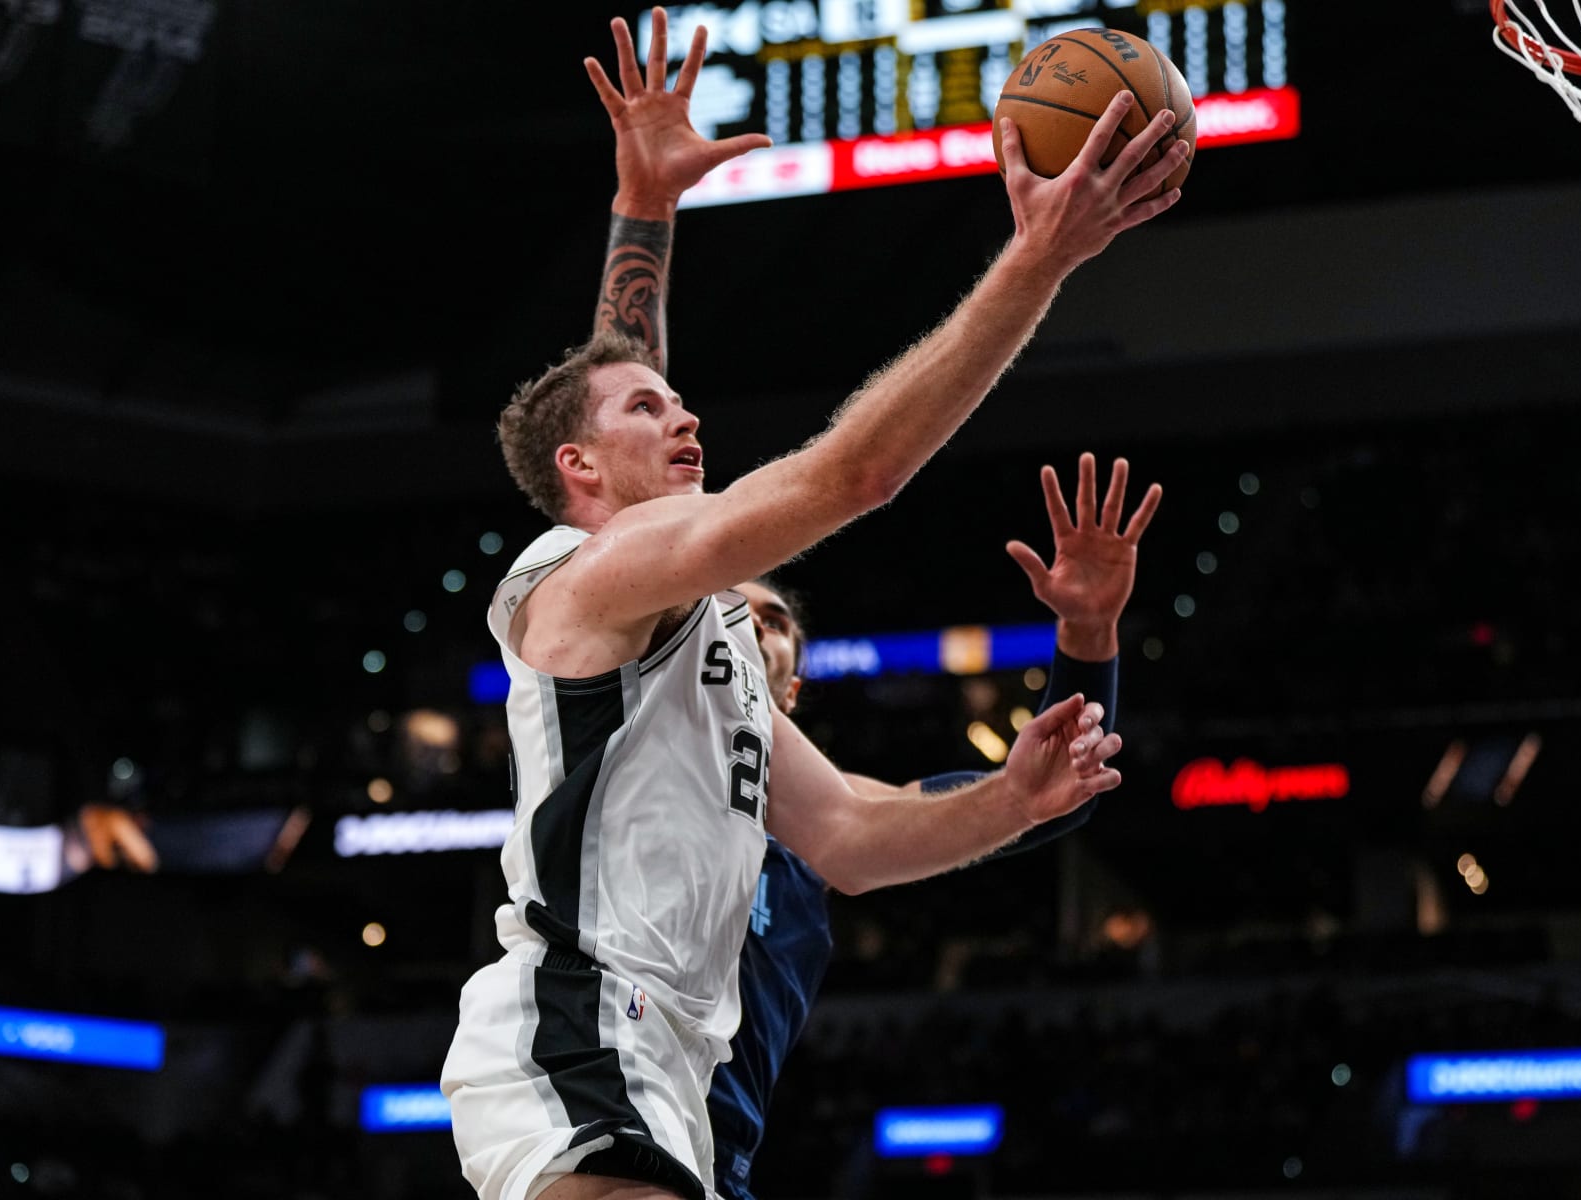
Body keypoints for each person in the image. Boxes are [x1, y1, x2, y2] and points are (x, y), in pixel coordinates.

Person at [441, 10, 1188, 1200]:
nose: (687, 418)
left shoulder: (705, 655)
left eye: (681, 404)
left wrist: (1007, 799)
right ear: (579, 476)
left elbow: (846, 834)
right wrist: (1037, 258)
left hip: (671, 1055)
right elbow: (856, 475)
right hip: (589, 1015)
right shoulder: (578, 577)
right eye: (651, 414)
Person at [715, 452, 1159, 1200]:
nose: (753, 623)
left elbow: (1051, 795)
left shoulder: (837, 811)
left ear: (791, 687)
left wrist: (1088, 633)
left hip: (715, 1146)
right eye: (733, 611)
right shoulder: (633, 758)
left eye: (775, 618)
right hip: (597, 1111)